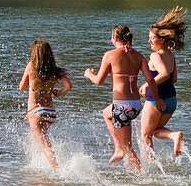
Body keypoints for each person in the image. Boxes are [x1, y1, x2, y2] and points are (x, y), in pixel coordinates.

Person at [85, 25, 163, 173]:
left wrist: (89, 73)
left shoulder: (110, 55)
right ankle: (118, 148)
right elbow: (151, 80)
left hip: (121, 107)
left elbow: (98, 81)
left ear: (115, 38)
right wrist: (157, 99)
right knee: (106, 113)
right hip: (135, 106)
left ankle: (141, 177)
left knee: (128, 148)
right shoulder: (139, 56)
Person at [139, 7, 187, 158]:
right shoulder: (171, 55)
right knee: (154, 132)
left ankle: (149, 170)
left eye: (151, 38)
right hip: (171, 100)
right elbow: (174, 79)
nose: (149, 41)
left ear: (162, 39)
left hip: (156, 100)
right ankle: (173, 135)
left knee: (145, 136)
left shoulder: (155, 56)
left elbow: (165, 74)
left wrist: (147, 84)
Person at [19, 40, 72, 169]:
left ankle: (57, 171)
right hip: (50, 112)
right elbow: (68, 86)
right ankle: (35, 164)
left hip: (35, 112)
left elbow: (21, 87)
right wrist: (58, 93)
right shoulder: (55, 71)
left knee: (45, 145)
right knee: (35, 138)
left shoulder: (31, 67)